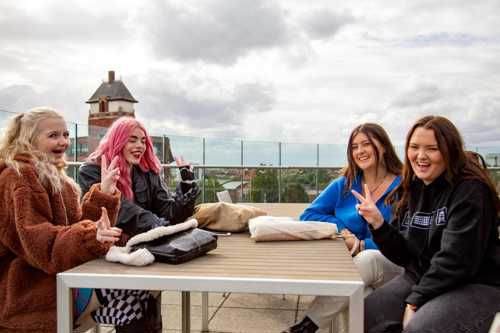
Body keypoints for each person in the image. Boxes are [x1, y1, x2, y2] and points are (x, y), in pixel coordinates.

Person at [355, 116, 500, 333]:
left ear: (449, 151)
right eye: (414, 147)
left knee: (421, 328)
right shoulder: (410, 189)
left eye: (432, 148)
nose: (420, 156)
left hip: (475, 283)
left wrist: (415, 301)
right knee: (366, 315)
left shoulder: (470, 190)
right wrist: (378, 224)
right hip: (422, 276)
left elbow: (457, 260)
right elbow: (405, 255)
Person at [0, 107, 122, 333]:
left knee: (138, 289)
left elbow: (74, 231)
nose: (63, 141)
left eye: (66, 135)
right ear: (28, 140)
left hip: (53, 277)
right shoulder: (18, 177)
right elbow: (39, 243)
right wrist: (89, 235)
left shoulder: (59, 180)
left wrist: (103, 195)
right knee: (127, 290)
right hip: (25, 290)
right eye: (53, 135)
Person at [78, 116, 200, 333]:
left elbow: (170, 213)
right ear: (118, 140)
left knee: (149, 303)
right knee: (136, 306)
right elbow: (123, 210)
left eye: (143, 141)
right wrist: (157, 226)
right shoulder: (92, 170)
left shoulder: (147, 171)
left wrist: (187, 184)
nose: (140, 146)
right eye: (132, 140)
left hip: (142, 249)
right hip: (106, 251)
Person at [284, 123, 403, 333]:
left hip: (394, 265)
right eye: (354, 147)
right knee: (358, 293)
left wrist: (362, 245)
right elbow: (309, 215)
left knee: (368, 258)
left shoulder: (405, 186)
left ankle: (306, 327)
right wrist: (344, 231)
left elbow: (408, 238)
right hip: (357, 271)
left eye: (366, 144)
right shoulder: (345, 184)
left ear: (383, 146)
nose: (360, 151)